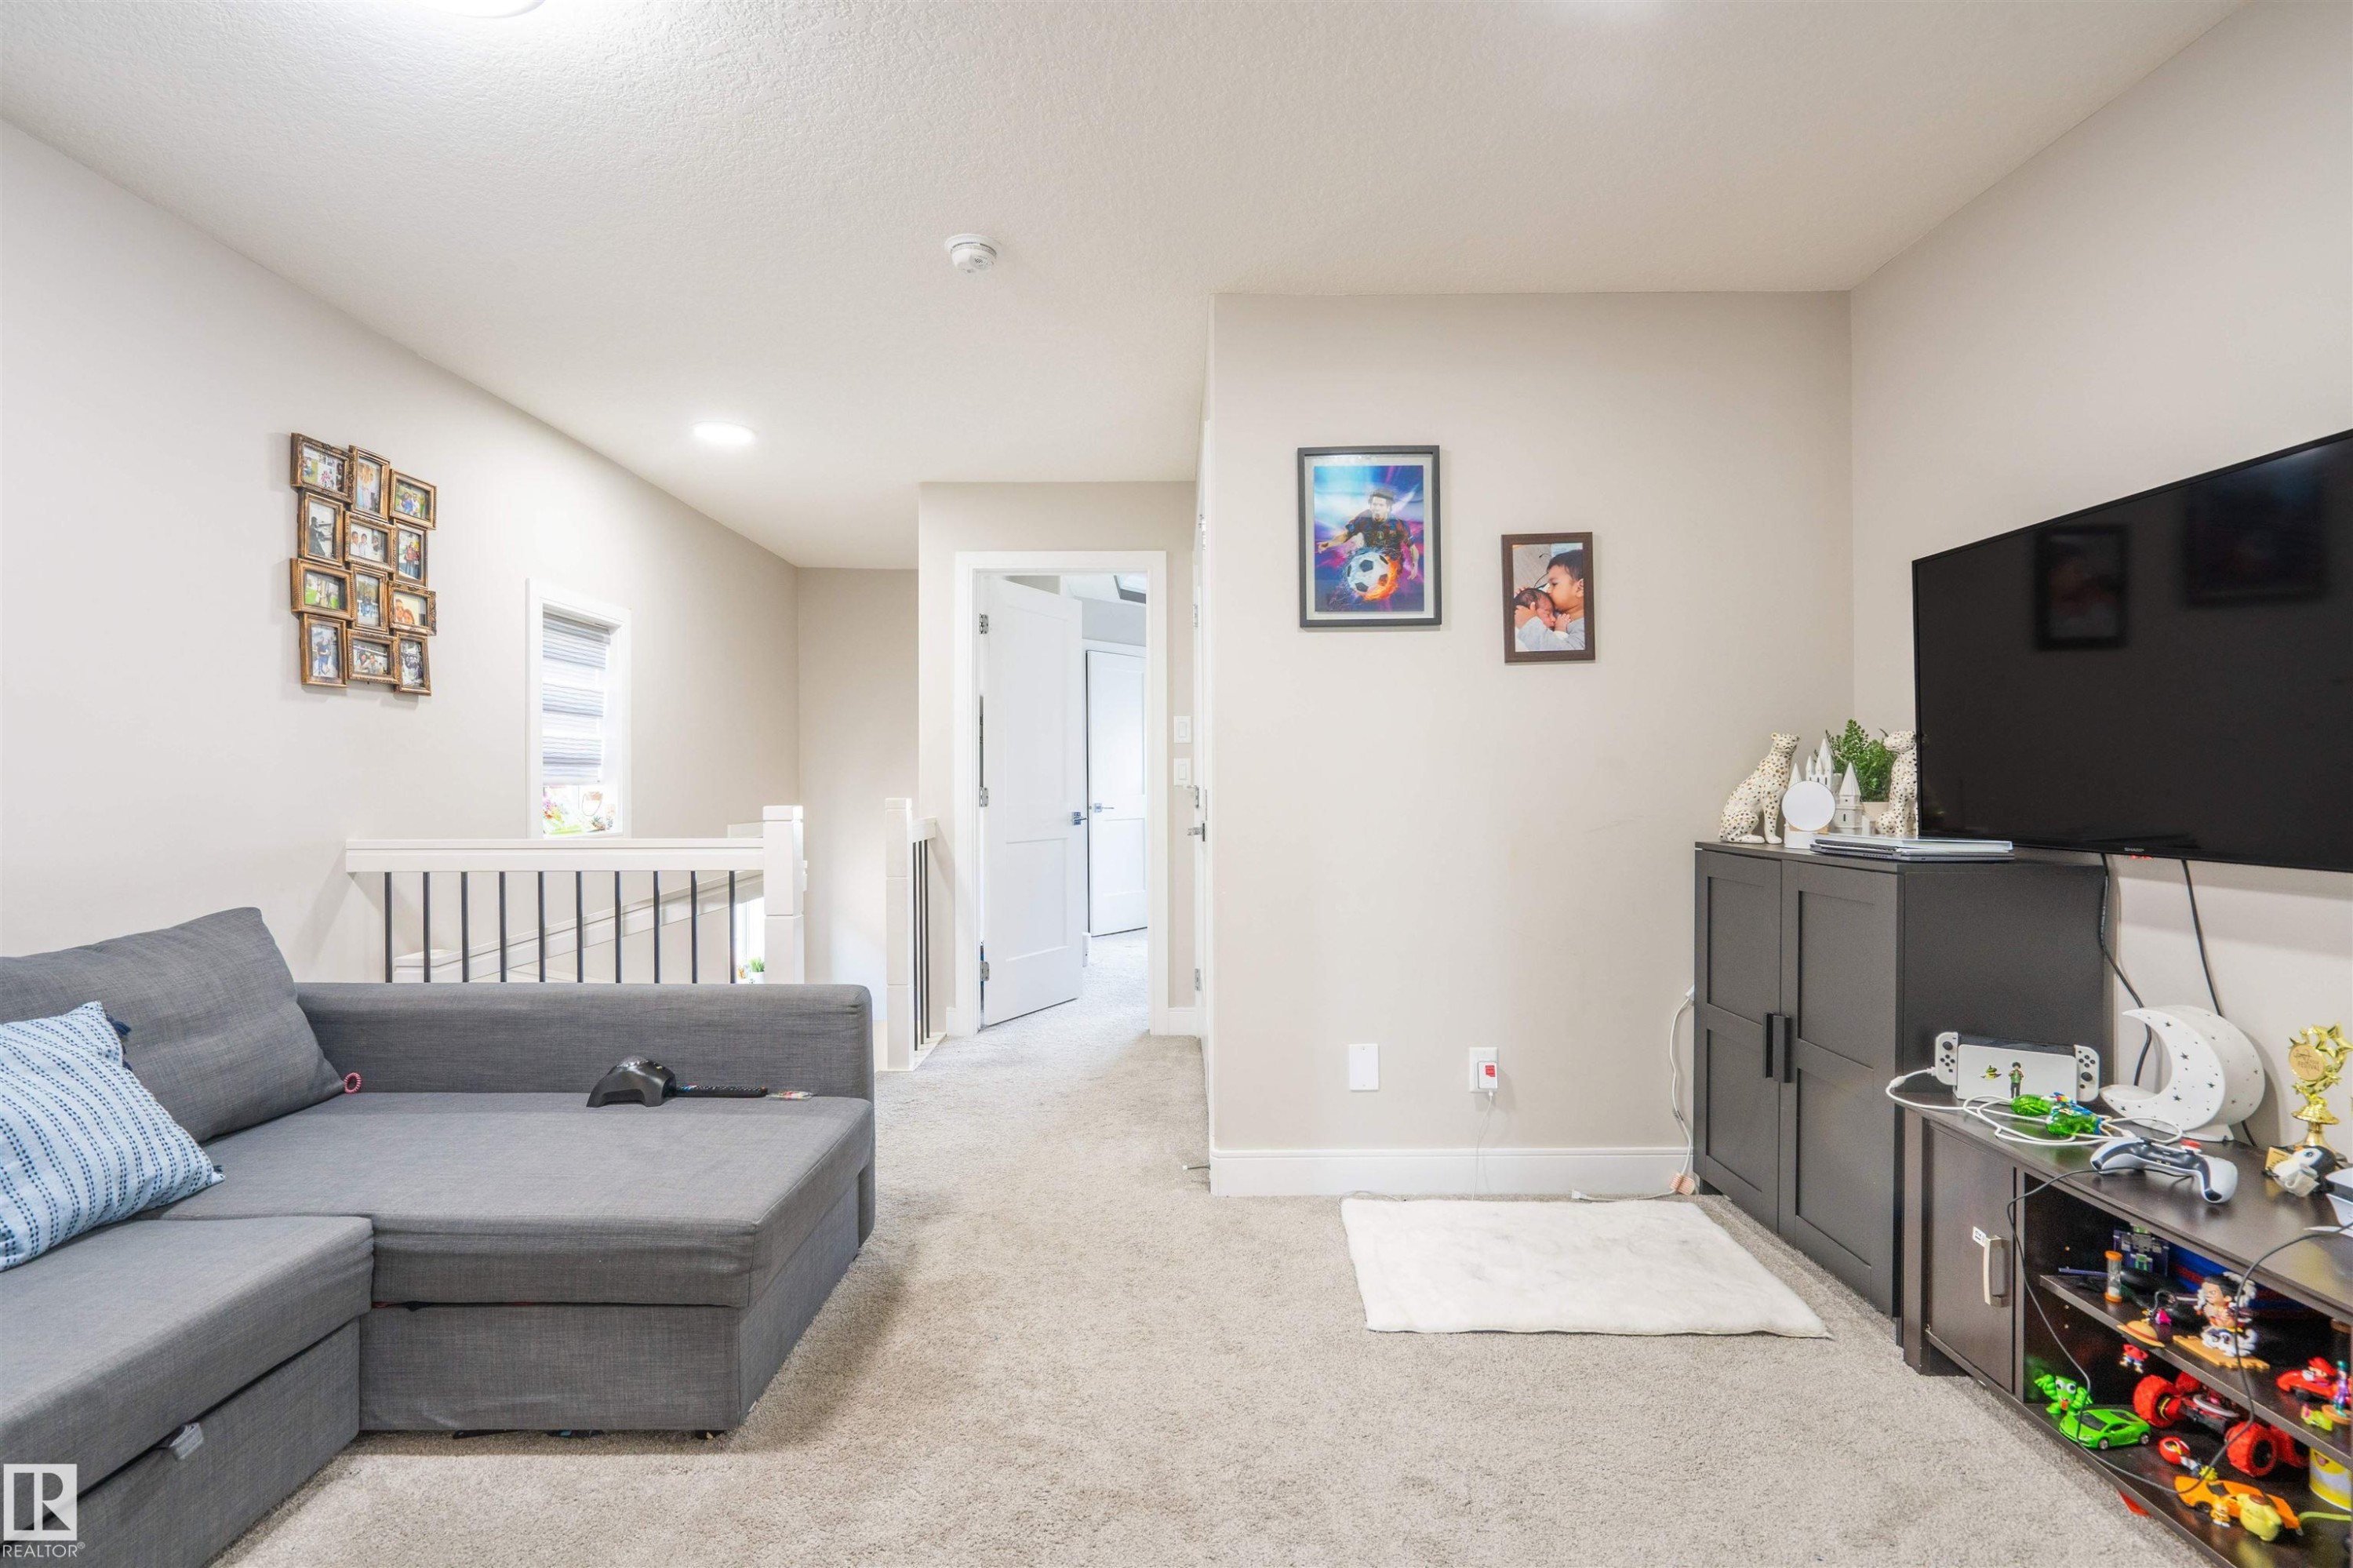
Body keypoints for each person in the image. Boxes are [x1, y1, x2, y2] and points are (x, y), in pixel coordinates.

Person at [1513, 548, 1587, 652]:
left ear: (1580, 588)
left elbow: (1562, 655)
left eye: (1554, 584)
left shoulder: (1584, 629)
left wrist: (1529, 623)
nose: (1548, 590)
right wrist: (1525, 597)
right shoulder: (1555, 602)